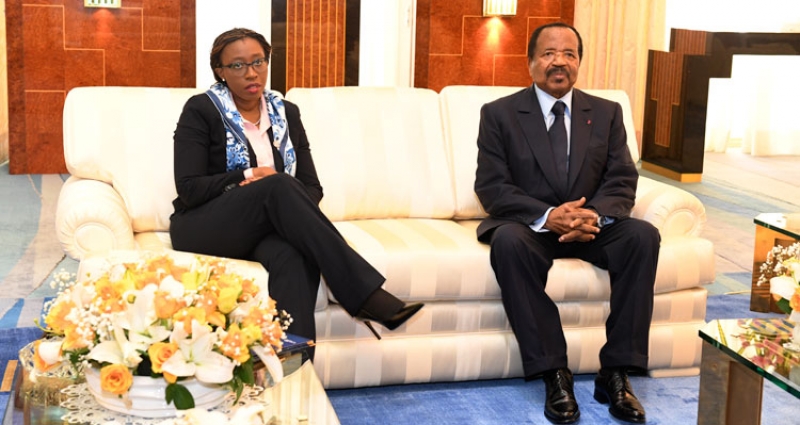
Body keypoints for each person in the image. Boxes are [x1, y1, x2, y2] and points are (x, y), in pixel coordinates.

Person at [170, 28, 422, 352]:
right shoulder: (201, 110)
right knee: (277, 184)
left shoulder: (286, 113)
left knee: (293, 254)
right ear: (220, 71)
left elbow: (311, 187)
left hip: (265, 229)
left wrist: (284, 204)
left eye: (258, 62)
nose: (251, 73)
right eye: (238, 65)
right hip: (205, 226)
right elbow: (189, 188)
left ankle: (295, 368)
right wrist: (250, 175)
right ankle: (365, 295)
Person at [474, 22, 659, 424]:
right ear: (530, 63)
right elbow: (491, 186)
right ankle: (555, 373)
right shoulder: (499, 114)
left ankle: (616, 372)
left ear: (579, 62)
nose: (559, 62)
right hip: (534, 227)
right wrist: (549, 216)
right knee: (507, 242)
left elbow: (621, 178)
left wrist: (592, 215)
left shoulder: (607, 112)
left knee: (642, 236)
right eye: (548, 53)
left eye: (569, 54)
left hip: (592, 225)